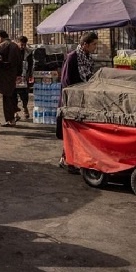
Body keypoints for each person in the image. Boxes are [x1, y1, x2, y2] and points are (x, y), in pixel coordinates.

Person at [58, 32, 99, 173]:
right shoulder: (72, 57)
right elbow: (66, 82)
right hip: (71, 101)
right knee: (71, 132)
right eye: (93, 44)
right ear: (85, 44)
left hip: (84, 99)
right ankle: (67, 161)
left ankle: (71, 159)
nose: (95, 47)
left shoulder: (87, 58)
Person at [0, 30, 23, 127]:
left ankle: (10, 120)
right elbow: (20, 61)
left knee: (7, 98)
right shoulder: (15, 46)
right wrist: (19, 74)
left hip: (5, 75)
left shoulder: (2, 46)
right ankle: (14, 114)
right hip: (13, 75)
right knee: (13, 96)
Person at [13, 36, 34, 122]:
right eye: (21, 45)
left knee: (24, 94)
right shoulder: (13, 52)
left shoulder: (28, 53)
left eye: (24, 45)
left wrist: (29, 75)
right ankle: (15, 113)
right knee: (14, 95)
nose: (22, 47)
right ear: (17, 43)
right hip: (15, 77)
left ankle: (25, 108)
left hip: (24, 76)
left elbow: (31, 64)